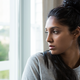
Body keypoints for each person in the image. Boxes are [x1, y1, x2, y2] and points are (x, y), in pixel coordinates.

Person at [22, 0, 80, 80]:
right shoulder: (37, 63)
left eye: (55, 31)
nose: (48, 39)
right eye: (47, 32)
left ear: (76, 33)